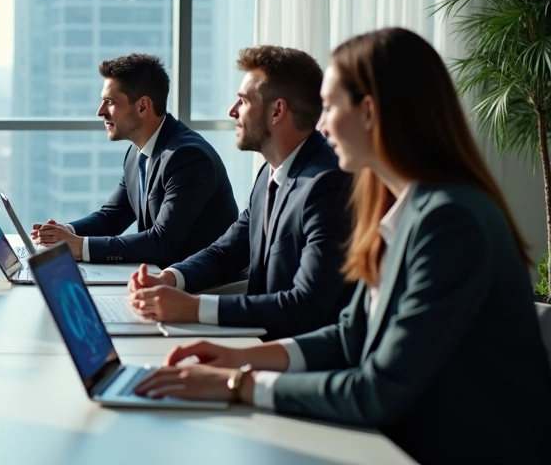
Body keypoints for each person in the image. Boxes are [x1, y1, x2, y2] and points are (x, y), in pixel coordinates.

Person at [133, 28, 550, 464]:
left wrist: (238, 384)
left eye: (330, 106)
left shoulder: (450, 221)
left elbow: (376, 390)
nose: (322, 121)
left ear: (369, 112)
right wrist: (237, 358)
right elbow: (350, 335)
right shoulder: (399, 205)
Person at [126, 46, 353, 339]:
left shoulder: (326, 184)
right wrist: (169, 279)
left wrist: (193, 308)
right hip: (259, 340)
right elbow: (226, 252)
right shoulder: (269, 175)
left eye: (243, 101)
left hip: (300, 360)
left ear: (277, 111)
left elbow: (306, 305)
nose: (232, 111)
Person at [32, 54, 237, 266]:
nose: (100, 111)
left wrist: (79, 246)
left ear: (142, 106)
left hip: (203, 287)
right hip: (162, 278)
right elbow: (111, 217)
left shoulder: (188, 157)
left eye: (110, 102)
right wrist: (64, 232)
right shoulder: (136, 153)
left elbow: (162, 241)